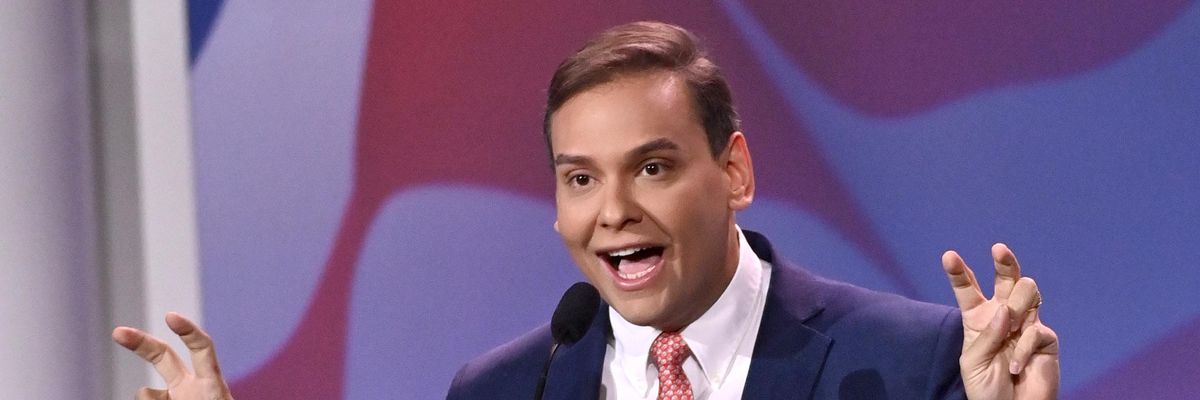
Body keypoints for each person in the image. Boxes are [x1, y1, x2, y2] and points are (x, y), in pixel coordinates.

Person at [113, 21, 1059, 400]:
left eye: (651, 168)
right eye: (578, 179)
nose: (612, 211)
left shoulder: (909, 361)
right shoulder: (502, 389)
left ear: (733, 171)